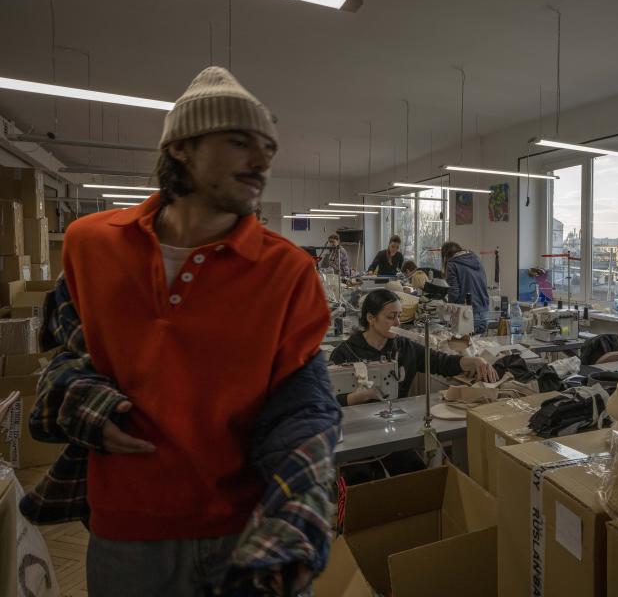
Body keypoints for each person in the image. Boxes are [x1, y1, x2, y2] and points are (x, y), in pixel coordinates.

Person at [21, 67, 340, 597]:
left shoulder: (287, 271)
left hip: (242, 530)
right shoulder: (89, 244)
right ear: (182, 149)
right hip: (128, 529)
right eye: (239, 142)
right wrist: (82, 398)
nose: (261, 161)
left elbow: (301, 406)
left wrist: (293, 522)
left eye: (267, 147)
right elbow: (69, 352)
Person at [330, 288, 497, 406]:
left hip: (396, 425)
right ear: (371, 318)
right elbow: (326, 402)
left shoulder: (403, 347)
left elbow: (441, 362)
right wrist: (359, 397)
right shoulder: (344, 353)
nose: (398, 323)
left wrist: (475, 361)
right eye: (391, 317)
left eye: (399, 316)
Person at [441, 241, 490, 334]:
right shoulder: (476, 259)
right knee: (478, 347)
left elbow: (454, 292)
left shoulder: (452, 264)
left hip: (467, 315)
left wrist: (449, 309)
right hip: (485, 313)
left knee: (462, 347)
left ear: (445, 255)